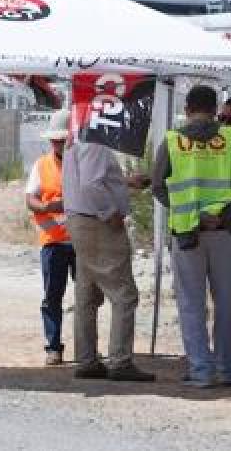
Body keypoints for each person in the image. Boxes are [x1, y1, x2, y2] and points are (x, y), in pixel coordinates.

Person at [151, 84, 231, 388]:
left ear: (187, 109)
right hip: (226, 232)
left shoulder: (172, 142)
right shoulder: (230, 138)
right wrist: (220, 215)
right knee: (227, 303)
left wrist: (189, 211)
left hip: (187, 233)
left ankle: (201, 371)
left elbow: (158, 186)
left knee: (191, 303)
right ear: (215, 109)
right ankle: (226, 369)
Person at [61, 133, 155, 381]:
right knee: (124, 294)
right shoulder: (95, 141)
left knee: (87, 294)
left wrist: (122, 182)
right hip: (97, 223)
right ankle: (120, 362)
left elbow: (91, 179)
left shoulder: (78, 139)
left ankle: (87, 359)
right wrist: (109, 212)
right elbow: (91, 184)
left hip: (81, 221)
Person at [24, 109, 74, 366]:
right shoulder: (41, 165)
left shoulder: (82, 162)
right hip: (53, 241)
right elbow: (30, 198)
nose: (58, 143)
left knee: (89, 297)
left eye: (62, 139)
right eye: (55, 140)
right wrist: (44, 208)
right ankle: (53, 347)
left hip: (81, 241)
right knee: (52, 296)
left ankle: (88, 347)